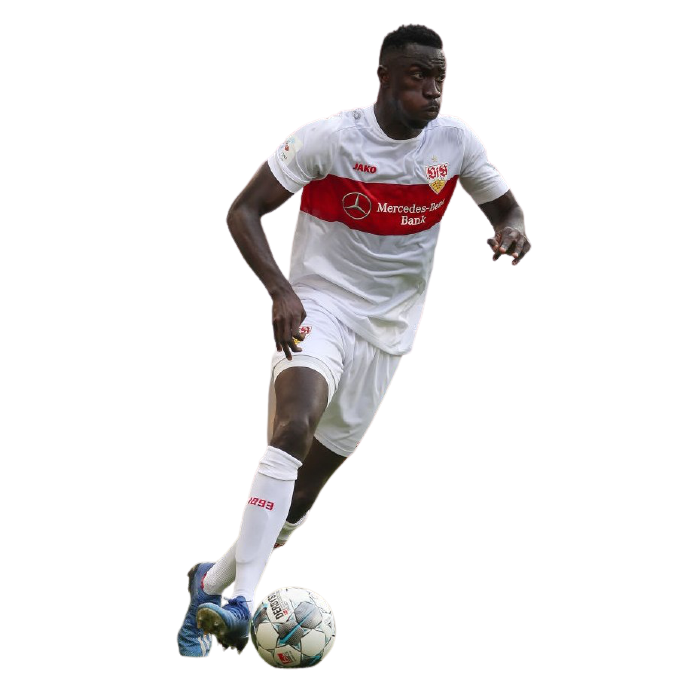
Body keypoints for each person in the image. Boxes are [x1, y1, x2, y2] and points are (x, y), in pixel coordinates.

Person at [176, 22, 530, 659]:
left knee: (305, 493)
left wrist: (512, 230)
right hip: (321, 306)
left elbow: (506, 208)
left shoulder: (456, 142)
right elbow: (243, 210)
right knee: (293, 426)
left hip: (388, 335)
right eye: (419, 76)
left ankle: (213, 579)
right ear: (384, 77)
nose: (433, 89)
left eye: (441, 77)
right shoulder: (332, 138)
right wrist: (281, 291)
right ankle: (241, 601)